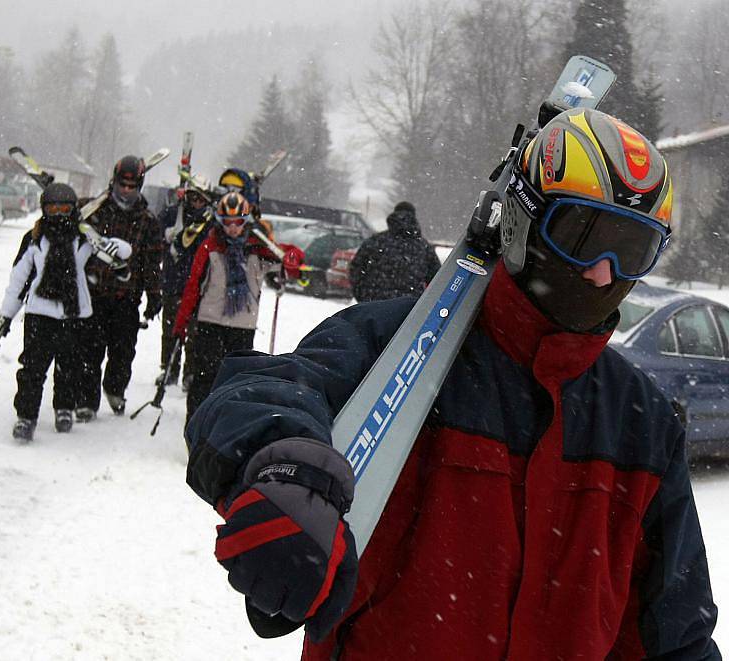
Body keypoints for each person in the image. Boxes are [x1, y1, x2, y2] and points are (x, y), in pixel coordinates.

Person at [182, 109, 721, 659]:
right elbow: (252, 396)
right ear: (523, 221)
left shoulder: (643, 423)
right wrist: (281, 465)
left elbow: (678, 636)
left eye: (632, 250)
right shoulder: (401, 346)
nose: (604, 273)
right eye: (582, 236)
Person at [0, 183, 131, 441]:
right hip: (39, 314)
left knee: (70, 367)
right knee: (32, 369)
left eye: (64, 208)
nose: (58, 214)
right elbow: (19, 280)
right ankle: (26, 417)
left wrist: (111, 247)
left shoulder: (83, 238)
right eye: (52, 208)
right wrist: (6, 315)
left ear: (73, 210)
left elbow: (122, 251)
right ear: (44, 209)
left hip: (75, 315)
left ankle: (64, 409)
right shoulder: (34, 239)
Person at [171, 191, 304, 427]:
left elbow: (288, 262)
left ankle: (225, 428)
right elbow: (193, 286)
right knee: (205, 379)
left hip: (243, 326)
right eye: (228, 223)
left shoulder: (258, 248)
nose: (233, 229)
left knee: (235, 382)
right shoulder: (210, 246)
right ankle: (197, 428)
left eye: (238, 223)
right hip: (210, 323)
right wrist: (181, 323)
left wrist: (293, 258)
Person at [77, 155, 163, 419]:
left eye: (132, 186)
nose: (126, 191)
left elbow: (151, 262)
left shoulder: (148, 221)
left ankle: (115, 389)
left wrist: (154, 294)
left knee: (123, 351)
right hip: (94, 293)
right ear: (113, 182)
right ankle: (86, 401)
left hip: (127, 296)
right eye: (122, 185)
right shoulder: (95, 210)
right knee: (90, 350)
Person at [158, 185, 213, 390]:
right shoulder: (174, 214)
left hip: (198, 284)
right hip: (174, 281)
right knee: (171, 329)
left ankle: (190, 372)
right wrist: (166, 236)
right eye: (193, 198)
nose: (197, 203)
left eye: (201, 199)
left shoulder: (209, 222)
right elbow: (157, 234)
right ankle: (168, 369)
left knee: (195, 334)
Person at [349, 201, 440, 302]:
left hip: (375, 305)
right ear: (414, 218)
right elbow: (437, 281)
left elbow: (356, 270)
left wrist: (364, 297)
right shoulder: (424, 247)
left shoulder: (376, 241)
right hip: (409, 308)